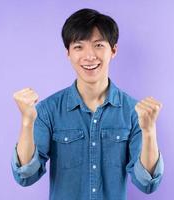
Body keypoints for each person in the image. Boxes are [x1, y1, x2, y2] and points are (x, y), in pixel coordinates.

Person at [11, 8, 164, 200]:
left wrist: (149, 131)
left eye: (98, 45)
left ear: (113, 50)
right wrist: (27, 122)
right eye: (79, 47)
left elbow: (147, 183)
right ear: (68, 53)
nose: (89, 56)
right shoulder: (47, 111)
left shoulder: (135, 112)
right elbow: (26, 175)